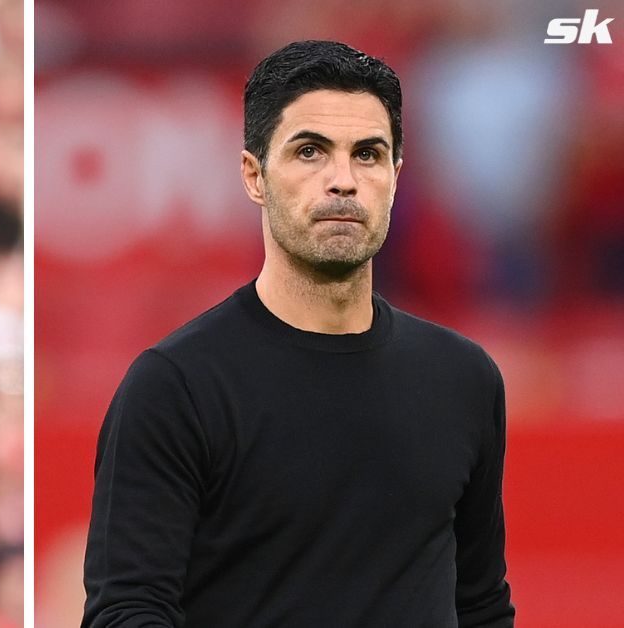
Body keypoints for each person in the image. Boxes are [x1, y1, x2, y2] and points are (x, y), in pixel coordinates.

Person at [82, 40, 514, 627]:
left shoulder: (464, 378)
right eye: (310, 152)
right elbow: (126, 612)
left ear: (395, 176)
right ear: (254, 176)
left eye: (368, 154)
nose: (343, 180)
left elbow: (482, 605)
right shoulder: (176, 387)